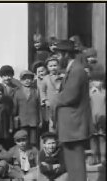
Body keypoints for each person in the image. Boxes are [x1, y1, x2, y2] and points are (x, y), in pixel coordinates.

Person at [51, 40, 92, 181]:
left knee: (77, 165)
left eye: (57, 55)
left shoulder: (77, 70)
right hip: (70, 127)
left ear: (66, 54)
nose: (56, 58)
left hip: (75, 126)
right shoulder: (72, 69)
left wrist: (54, 99)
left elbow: (70, 96)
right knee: (71, 163)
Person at [13, 70, 42, 147]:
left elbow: (39, 107)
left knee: (33, 141)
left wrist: (40, 120)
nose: (27, 81)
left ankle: (34, 155)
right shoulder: (17, 92)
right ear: (20, 80)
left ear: (32, 80)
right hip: (22, 121)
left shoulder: (36, 91)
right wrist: (15, 119)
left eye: (29, 78)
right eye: (24, 79)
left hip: (34, 120)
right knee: (23, 139)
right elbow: (15, 108)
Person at [41, 55, 65, 132]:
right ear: (47, 67)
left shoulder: (62, 77)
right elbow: (42, 91)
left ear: (58, 66)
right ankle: (52, 138)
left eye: (55, 65)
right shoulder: (45, 78)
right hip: (50, 104)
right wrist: (45, 100)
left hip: (61, 103)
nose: (53, 68)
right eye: (51, 66)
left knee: (61, 122)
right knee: (52, 123)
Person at [89, 72, 106, 165]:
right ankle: (94, 157)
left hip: (103, 119)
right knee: (93, 138)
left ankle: (103, 157)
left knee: (102, 138)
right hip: (91, 119)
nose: (96, 83)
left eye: (99, 81)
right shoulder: (89, 93)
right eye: (94, 81)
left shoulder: (104, 92)